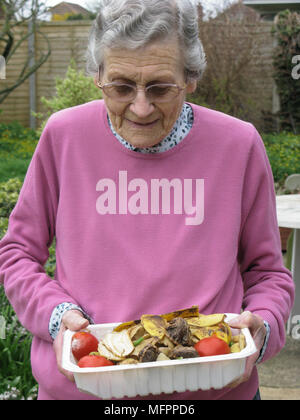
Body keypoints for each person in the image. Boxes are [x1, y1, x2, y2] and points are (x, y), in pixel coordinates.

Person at [0, 0, 295, 401]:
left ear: (190, 78)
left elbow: (267, 273)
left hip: (211, 392)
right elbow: (17, 253)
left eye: (159, 87)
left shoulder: (238, 145)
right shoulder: (63, 137)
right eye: (121, 86)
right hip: (87, 388)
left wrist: (260, 327)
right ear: (97, 76)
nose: (140, 107)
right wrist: (57, 318)